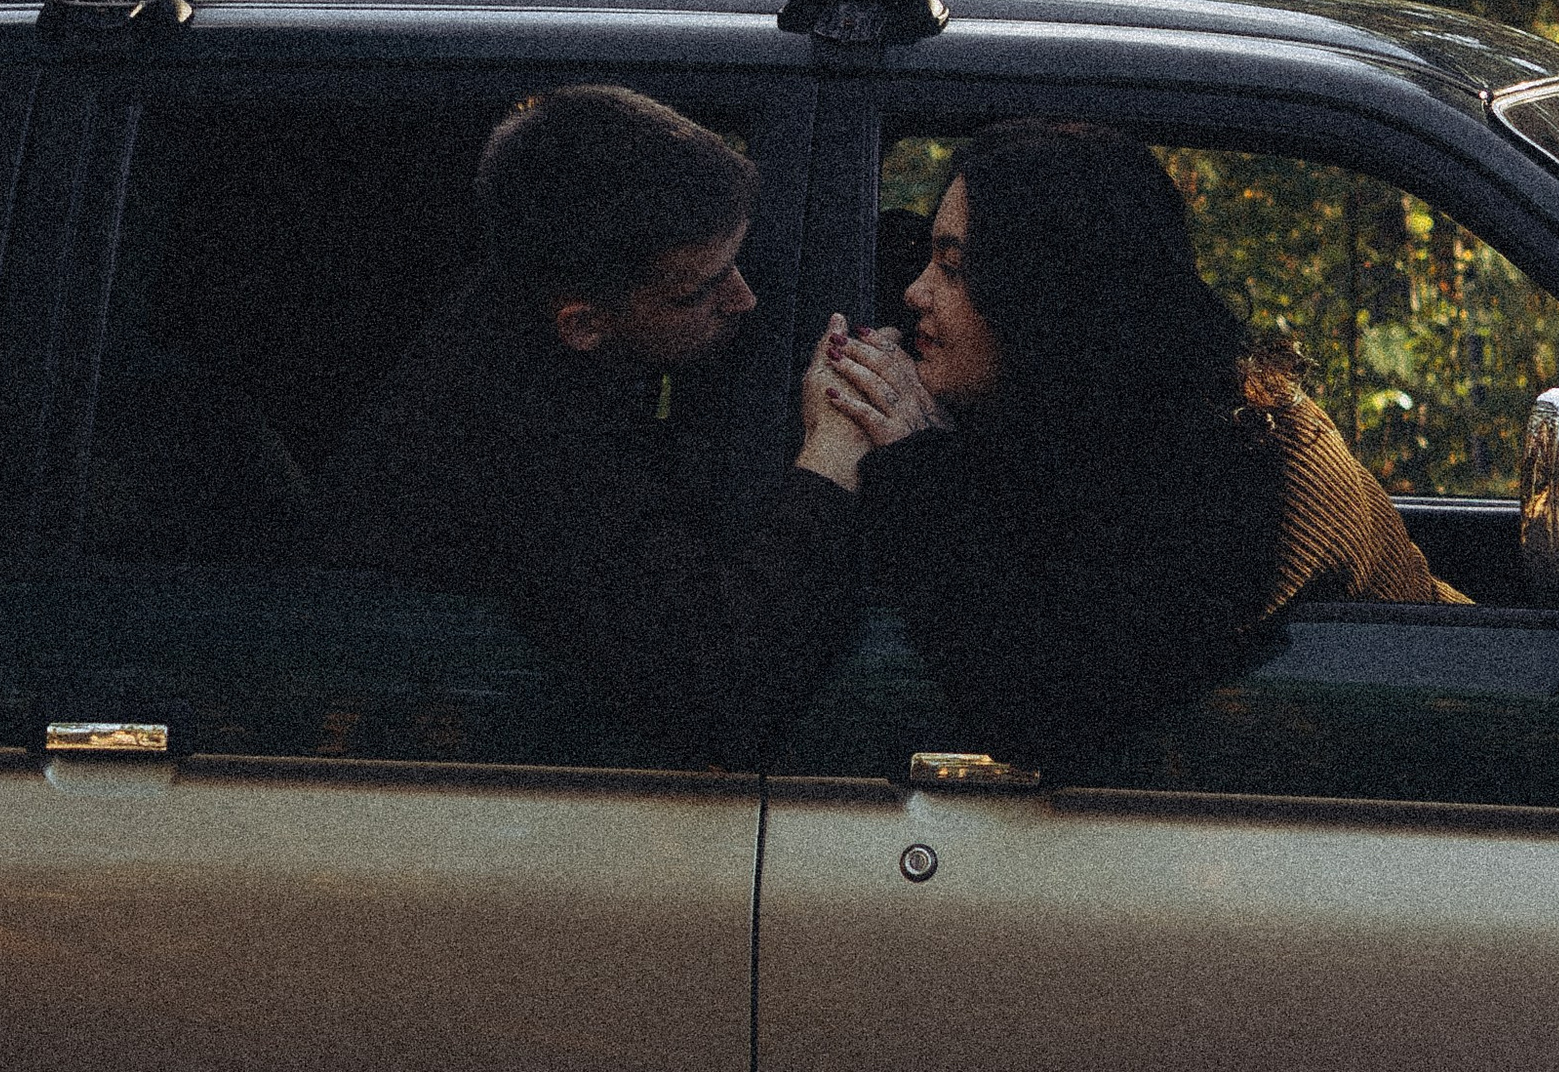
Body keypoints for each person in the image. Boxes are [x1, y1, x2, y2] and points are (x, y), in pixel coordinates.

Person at [317, 84, 930, 766]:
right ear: (584, 325)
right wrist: (833, 458)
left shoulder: (550, 331)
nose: (746, 298)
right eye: (700, 289)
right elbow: (716, 693)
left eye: (740, 260)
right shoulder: (519, 447)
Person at [861, 119, 1460, 774]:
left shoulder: (1229, 466)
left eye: (952, 269)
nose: (915, 291)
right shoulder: (1089, 401)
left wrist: (912, 459)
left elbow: (1041, 711)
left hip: (1445, 735)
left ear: (1047, 297)